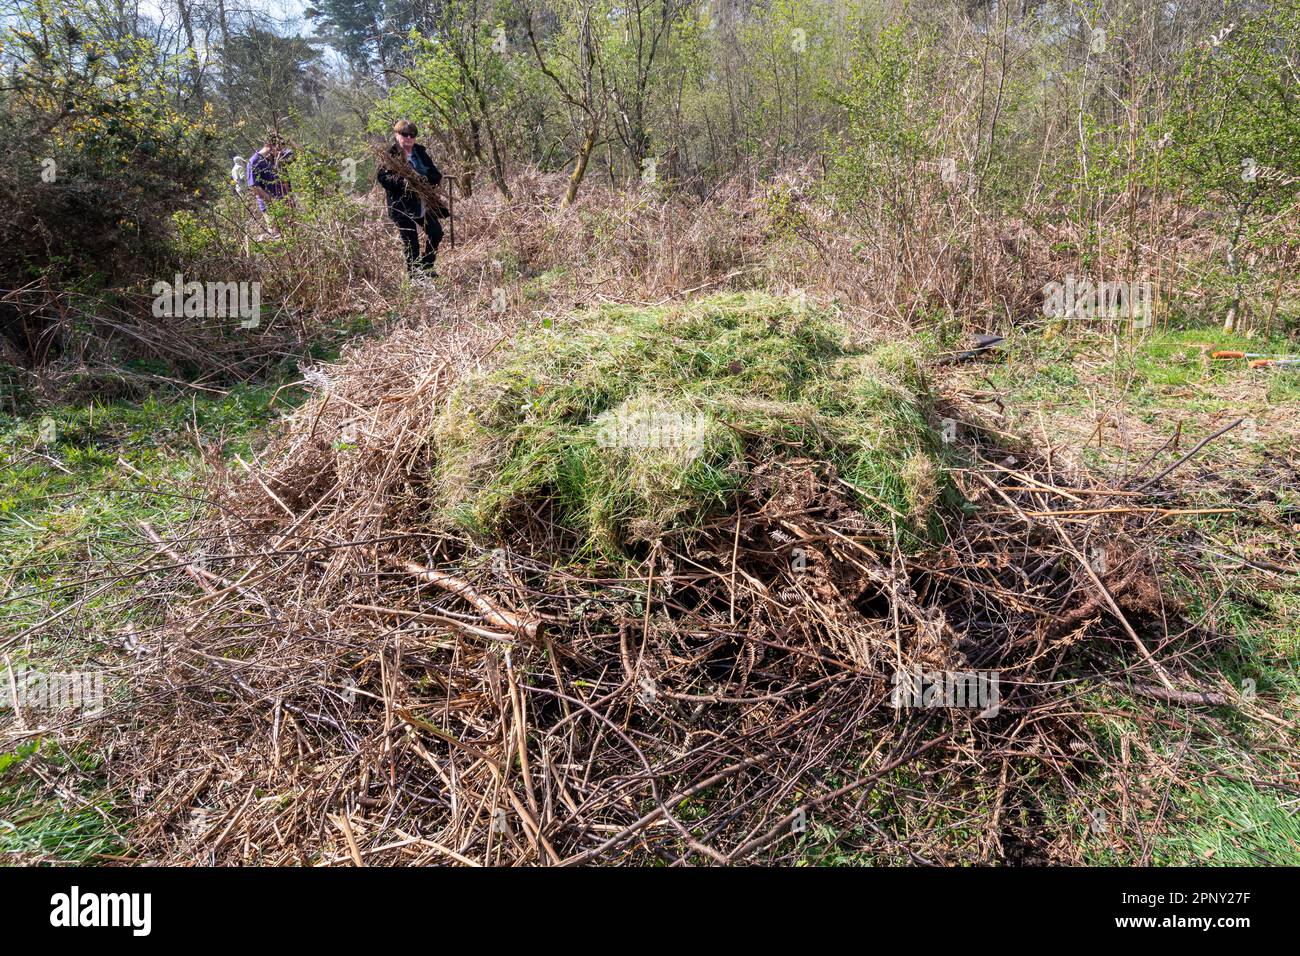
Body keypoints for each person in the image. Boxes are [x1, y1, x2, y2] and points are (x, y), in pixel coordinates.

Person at [377, 120, 444, 275]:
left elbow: (436, 174)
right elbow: (383, 178)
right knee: (411, 242)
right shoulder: (390, 155)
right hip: (402, 205)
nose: (408, 138)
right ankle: (414, 275)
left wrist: (425, 179)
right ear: (396, 135)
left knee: (436, 232)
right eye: (404, 134)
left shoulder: (420, 152)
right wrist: (406, 183)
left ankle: (427, 267)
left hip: (423, 202)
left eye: (412, 135)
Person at [246, 133, 294, 237]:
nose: (281, 152)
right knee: (277, 236)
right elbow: (254, 187)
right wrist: (272, 201)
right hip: (270, 207)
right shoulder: (254, 161)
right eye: (279, 148)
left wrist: (288, 197)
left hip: (284, 202)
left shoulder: (275, 160)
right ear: (270, 146)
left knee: (290, 234)